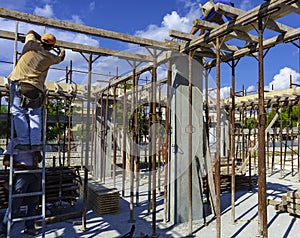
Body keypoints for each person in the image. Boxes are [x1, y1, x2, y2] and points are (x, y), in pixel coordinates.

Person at [8, 29, 65, 154]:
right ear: (51, 46)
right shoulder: (50, 57)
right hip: (35, 88)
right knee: (35, 114)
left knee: (17, 112)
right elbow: (61, 58)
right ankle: (35, 143)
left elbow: (30, 31)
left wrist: (39, 38)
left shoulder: (31, 45)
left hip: (18, 82)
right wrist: (60, 50)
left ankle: (23, 142)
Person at [0, 139, 41, 237]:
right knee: (15, 202)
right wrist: (21, 166)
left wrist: (36, 151)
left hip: (34, 173)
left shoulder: (34, 141)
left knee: (33, 202)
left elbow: (40, 159)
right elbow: (6, 161)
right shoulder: (14, 142)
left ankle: (30, 226)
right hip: (21, 174)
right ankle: (4, 229)